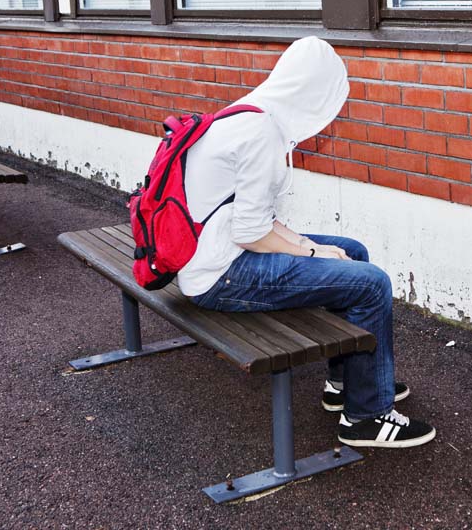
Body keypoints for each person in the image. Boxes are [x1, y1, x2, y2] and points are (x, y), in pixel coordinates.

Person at [177, 36, 436, 448]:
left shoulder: (246, 114)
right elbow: (251, 233)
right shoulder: (261, 132)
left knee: (352, 252)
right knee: (372, 282)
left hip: (215, 255)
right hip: (221, 275)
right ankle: (366, 417)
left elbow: (255, 219)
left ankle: (347, 384)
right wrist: (312, 250)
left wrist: (313, 247)